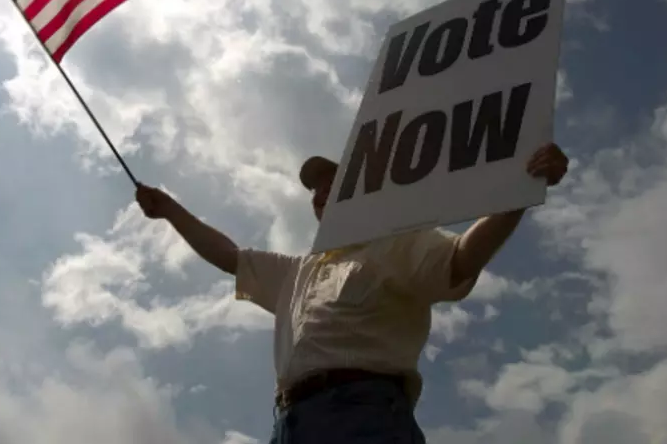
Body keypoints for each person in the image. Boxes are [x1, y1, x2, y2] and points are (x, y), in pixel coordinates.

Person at [135, 142, 568, 443]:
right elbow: (230, 256)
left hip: (365, 415)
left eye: (334, 183)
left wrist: (519, 195)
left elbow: (461, 259)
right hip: (288, 423)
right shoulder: (297, 270)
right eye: (316, 189)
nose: (321, 193)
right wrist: (171, 210)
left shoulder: (394, 242)